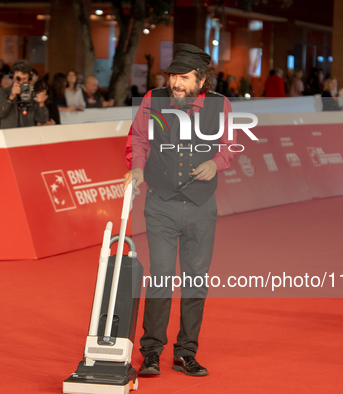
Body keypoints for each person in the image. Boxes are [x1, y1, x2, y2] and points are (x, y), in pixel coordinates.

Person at [123, 43, 235, 378]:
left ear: (201, 81)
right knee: (160, 276)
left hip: (202, 207)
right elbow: (139, 139)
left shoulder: (221, 105)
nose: (176, 83)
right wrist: (138, 169)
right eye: (173, 76)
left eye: (184, 77)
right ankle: (152, 352)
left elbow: (229, 146)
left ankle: (186, 353)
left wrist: (216, 163)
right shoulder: (154, 99)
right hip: (161, 205)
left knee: (195, 281)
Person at [0, 59, 39, 128]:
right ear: (12, 76)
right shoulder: (3, 91)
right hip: (9, 134)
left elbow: (39, 118)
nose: (21, 82)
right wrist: (11, 97)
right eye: (18, 79)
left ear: (29, 78)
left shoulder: (33, 93)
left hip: (28, 134)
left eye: (24, 79)